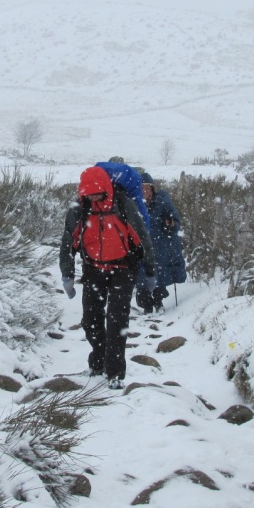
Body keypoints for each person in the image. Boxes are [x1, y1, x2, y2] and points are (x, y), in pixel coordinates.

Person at [60, 165, 156, 390]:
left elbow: (142, 238)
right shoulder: (80, 209)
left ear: (105, 188)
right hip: (93, 270)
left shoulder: (123, 204)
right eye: (89, 194)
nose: (93, 198)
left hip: (123, 270)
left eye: (97, 193)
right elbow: (68, 242)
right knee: (90, 319)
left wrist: (150, 270)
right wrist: (67, 273)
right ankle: (97, 362)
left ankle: (115, 372)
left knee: (117, 321)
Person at [134, 172, 187, 313]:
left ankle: (158, 302)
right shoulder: (134, 203)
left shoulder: (162, 203)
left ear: (152, 189)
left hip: (159, 246)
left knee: (159, 276)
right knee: (141, 277)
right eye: (141, 188)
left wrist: (170, 224)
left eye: (147, 188)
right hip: (140, 247)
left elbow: (175, 222)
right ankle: (146, 306)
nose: (144, 191)